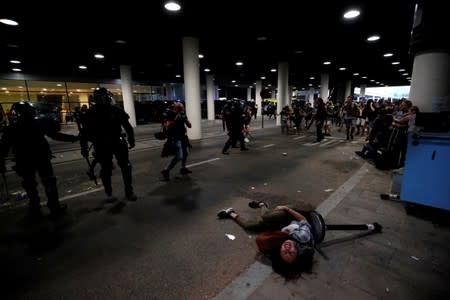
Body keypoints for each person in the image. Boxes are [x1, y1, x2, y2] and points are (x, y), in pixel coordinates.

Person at [0, 101, 78, 221]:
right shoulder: (37, 124)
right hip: (41, 158)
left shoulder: (12, 128)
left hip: (25, 160)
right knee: (48, 183)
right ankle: (53, 207)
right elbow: (55, 135)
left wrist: (1, 162)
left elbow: (4, 148)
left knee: (30, 186)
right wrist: (74, 138)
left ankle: (35, 209)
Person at [217, 200, 315, 279]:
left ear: (279, 254)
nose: (287, 249)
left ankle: (230, 213)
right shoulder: (303, 237)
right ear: (298, 252)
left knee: (250, 226)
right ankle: (262, 204)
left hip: (281, 227)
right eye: (291, 253)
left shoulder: (278, 247)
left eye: (285, 253)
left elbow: (264, 244)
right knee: (266, 217)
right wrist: (287, 209)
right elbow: (303, 220)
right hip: (291, 216)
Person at [79, 87, 137, 202]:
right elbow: (84, 133)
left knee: (113, 168)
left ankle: (113, 193)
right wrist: (131, 140)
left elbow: (84, 134)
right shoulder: (107, 110)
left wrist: (84, 148)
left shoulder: (94, 112)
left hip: (108, 143)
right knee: (116, 168)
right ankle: (123, 193)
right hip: (107, 143)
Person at [160, 102, 192, 181]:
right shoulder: (170, 114)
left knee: (185, 153)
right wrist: (175, 120)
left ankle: (183, 168)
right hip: (175, 138)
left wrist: (185, 120)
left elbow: (189, 126)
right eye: (180, 108)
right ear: (176, 108)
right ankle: (166, 170)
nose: (182, 109)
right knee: (179, 156)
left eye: (182, 108)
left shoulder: (183, 114)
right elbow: (167, 126)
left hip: (183, 137)